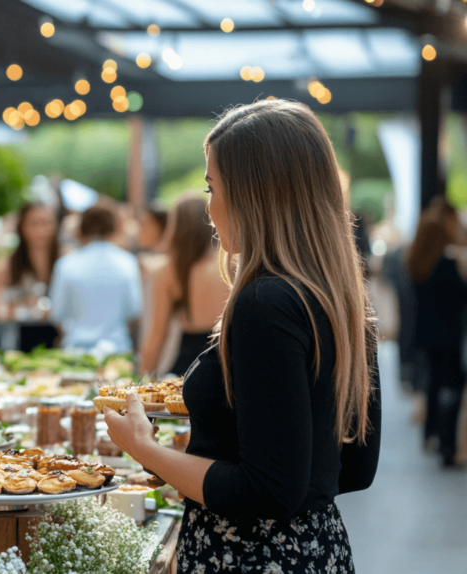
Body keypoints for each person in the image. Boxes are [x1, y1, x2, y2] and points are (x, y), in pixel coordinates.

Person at [104, 100, 381, 573]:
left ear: (254, 194)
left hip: (248, 557)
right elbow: (352, 469)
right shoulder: (340, 301)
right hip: (318, 549)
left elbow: (267, 490)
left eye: (213, 186)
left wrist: (145, 449)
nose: (209, 206)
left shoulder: (262, 305)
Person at [405, 196, 467, 467]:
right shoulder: (447, 262)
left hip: (426, 334)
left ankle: (431, 433)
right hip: (449, 335)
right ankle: (447, 443)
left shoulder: (418, 260)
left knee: (434, 382)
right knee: (450, 386)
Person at [139, 194, 231, 376]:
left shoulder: (170, 271)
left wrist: (141, 380)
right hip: (227, 361)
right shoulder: (229, 265)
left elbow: (157, 336)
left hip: (188, 364)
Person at [48, 202, 143, 354]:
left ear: (81, 228)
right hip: (117, 352)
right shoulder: (127, 262)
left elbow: (57, 313)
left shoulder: (65, 264)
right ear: (116, 227)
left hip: (76, 353)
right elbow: (134, 311)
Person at [0, 202, 61, 351]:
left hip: (60, 340)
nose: (41, 230)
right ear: (21, 227)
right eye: (33, 223)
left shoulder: (66, 262)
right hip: (19, 342)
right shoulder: (8, 265)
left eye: (46, 223)